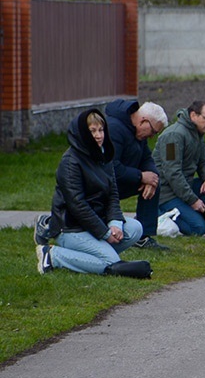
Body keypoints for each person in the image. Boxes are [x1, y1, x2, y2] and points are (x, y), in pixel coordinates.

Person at [35, 109, 152, 279]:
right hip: (71, 228)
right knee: (110, 263)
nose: (98, 136)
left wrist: (115, 225)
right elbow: (77, 205)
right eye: (93, 131)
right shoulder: (70, 162)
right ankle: (53, 255)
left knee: (135, 228)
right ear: (82, 133)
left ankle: (94, 256)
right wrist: (105, 233)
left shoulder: (104, 156)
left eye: (101, 130)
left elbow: (112, 194)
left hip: (97, 223)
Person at [153, 101, 205, 236]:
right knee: (199, 229)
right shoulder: (173, 136)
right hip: (166, 193)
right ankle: (159, 213)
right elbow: (172, 174)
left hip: (183, 188)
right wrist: (193, 200)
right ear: (193, 115)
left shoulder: (197, 135)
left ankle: (186, 210)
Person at [105, 99, 170, 250]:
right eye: (153, 131)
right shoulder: (114, 129)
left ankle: (144, 236)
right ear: (144, 121)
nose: (152, 136)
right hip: (104, 183)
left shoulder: (137, 132)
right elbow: (112, 167)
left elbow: (146, 158)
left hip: (122, 179)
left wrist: (151, 178)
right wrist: (141, 176)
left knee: (155, 182)